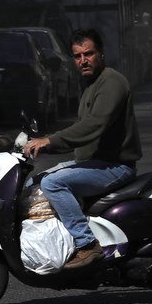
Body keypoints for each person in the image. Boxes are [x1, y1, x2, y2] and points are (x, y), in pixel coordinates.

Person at [23, 28, 142, 269]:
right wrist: (46, 144)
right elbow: (81, 130)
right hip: (94, 163)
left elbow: (94, 125)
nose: (83, 61)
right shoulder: (91, 85)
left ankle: (87, 244)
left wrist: (50, 141)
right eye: (77, 56)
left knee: (53, 183)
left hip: (114, 166)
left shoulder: (112, 82)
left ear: (101, 54)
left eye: (88, 54)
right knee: (36, 181)